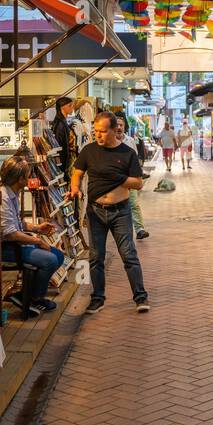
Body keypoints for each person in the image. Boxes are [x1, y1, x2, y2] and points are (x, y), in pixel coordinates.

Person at [70, 111, 149, 313]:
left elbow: (138, 184)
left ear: (115, 130)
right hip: (95, 211)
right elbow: (77, 172)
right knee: (96, 257)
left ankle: (140, 297)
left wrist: (117, 178)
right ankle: (97, 298)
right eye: (96, 131)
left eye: (103, 131)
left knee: (128, 254)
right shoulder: (88, 151)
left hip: (120, 212)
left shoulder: (127, 153)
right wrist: (75, 189)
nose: (98, 135)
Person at [0, 157, 64, 319]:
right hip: (0, 249)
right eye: (27, 175)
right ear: (19, 179)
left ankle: (26, 295)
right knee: (50, 260)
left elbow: (17, 224)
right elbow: (10, 233)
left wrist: (37, 229)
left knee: (58, 255)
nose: (30, 178)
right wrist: (38, 241)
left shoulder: (10, 193)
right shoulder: (2, 197)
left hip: (13, 245)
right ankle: (34, 298)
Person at [115, 114, 149, 240]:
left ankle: (140, 229)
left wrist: (138, 177)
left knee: (134, 203)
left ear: (124, 127)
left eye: (121, 125)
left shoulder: (130, 141)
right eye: (117, 125)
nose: (119, 127)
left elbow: (135, 159)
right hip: (115, 181)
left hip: (130, 178)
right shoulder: (109, 141)